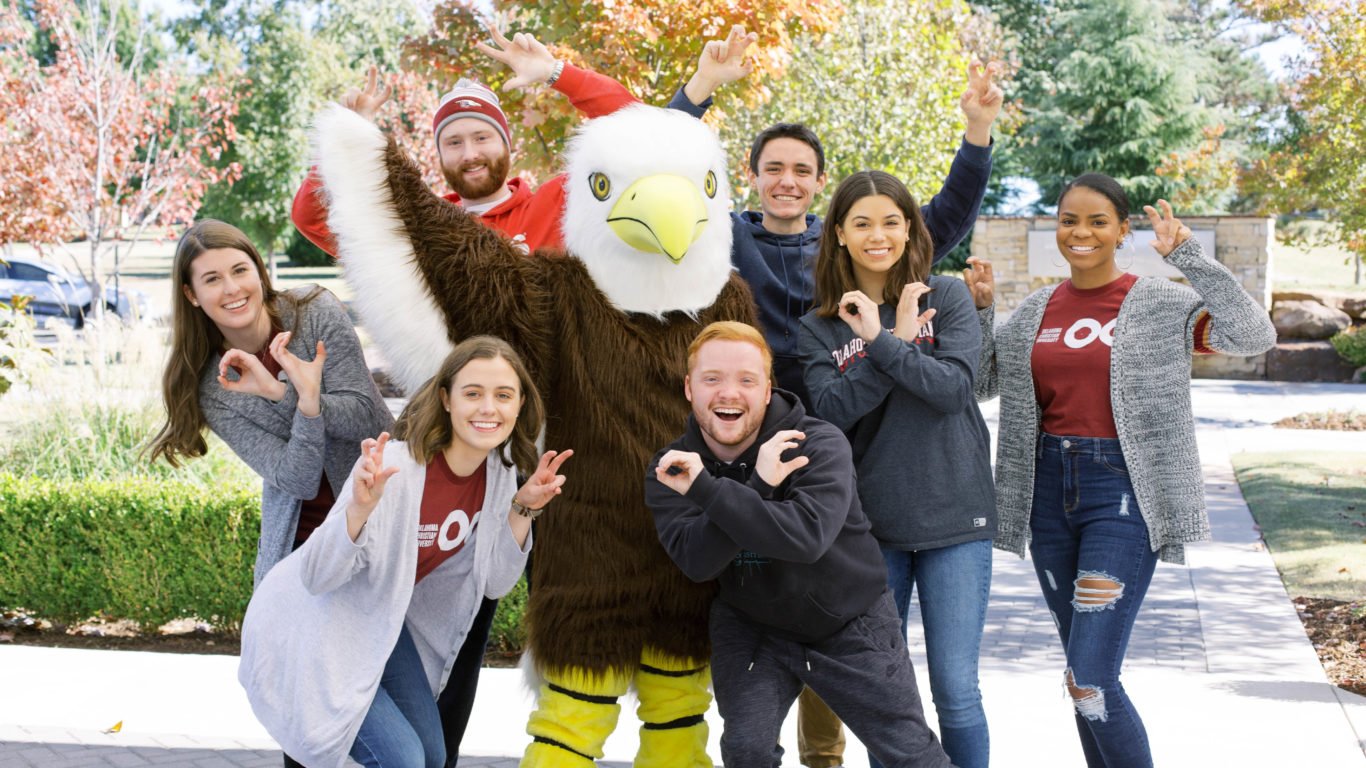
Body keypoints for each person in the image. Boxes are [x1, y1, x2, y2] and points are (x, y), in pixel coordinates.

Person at [967, 175, 1276, 767]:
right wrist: (983, 314)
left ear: (1122, 230)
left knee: (1090, 678)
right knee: (1083, 678)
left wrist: (1189, 258)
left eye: (1097, 221)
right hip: (1048, 492)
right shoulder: (1038, 310)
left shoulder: (1161, 303)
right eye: (1068, 221)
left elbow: (1254, 334)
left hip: (1124, 495)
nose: (1080, 233)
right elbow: (982, 384)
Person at [237, 336, 573, 768]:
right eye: (473, 393)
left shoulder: (501, 476)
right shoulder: (395, 468)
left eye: (503, 395)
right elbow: (317, 576)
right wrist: (358, 509)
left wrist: (523, 509)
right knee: (404, 760)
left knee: (433, 755)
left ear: (520, 404)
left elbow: (494, 582)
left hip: (382, 626)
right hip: (316, 624)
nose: (488, 408)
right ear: (446, 399)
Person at [646, 321, 953, 768]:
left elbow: (805, 538)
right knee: (746, 751)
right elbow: (697, 560)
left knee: (909, 754)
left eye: (746, 380)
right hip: (753, 623)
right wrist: (758, 483)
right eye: (712, 379)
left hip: (848, 621)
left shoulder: (819, 442)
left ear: (768, 390)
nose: (729, 393)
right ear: (689, 388)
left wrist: (712, 492)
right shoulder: (674, 467)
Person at [668, 25, 1002, 411]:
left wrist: (978, 128)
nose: (787, 182)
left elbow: (948, 214)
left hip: (845, 409)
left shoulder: (850, 240)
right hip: (749, 411)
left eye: (802, 171)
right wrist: (703, 82)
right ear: (752, 176)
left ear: (820, 181)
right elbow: (666, 173)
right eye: (774, 169)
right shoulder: (724, 235)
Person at [797, 170, 995, 768]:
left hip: (956, 516)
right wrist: (893, 343)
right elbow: (832, 412)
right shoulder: (818, 327)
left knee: (956, 692)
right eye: (861, 223)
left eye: (890, 221)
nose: (877, 235)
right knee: (890, 699)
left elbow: (954, 390)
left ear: (909, 229)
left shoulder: (948, 297)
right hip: (870, 528)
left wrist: (883, 342)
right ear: (838, 235)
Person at [148, 218, 393, 587]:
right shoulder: (214, 387)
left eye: (239, 270)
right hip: (302, 548)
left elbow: (368, 422)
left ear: (259, 271)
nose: (232, 288)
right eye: (212, 279)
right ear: (191, 294)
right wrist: (303, 404)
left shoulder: (315, 313)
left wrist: (283, 393)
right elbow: (299, 481)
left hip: (385, 524)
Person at [291, 26, 639, 256]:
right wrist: (344, 137)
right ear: (439, 154)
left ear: (507, 143)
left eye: (482, 137)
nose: (470, 154)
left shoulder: (559, 202)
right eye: (454, 143)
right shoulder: (421, 229)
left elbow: (635, 128)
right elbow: (312, 219)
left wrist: (556, 73)